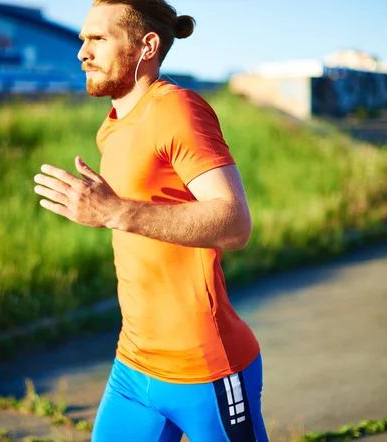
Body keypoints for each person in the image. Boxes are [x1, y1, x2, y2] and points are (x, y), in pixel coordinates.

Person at [33, 1, 268, 440]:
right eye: (83, 39)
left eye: (98, 39)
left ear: (147, 46)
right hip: (134, 365)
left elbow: (235, 223)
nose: (82, 52)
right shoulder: (112, 126)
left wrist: (115, 211)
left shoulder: (177, 109)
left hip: (205, 369)